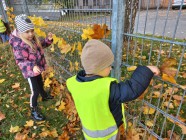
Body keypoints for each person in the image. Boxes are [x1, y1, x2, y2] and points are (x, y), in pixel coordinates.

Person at [66, 39, 160, 140]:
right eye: (108, 65)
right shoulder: (107, 88)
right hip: (108, 135)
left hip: (89, 134)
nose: (111, 68)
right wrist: (147, 70)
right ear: (99, 68)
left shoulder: (73, 83)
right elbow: (132, 89)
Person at [9, 14, 54, 121]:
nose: (31, 34)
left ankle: (44, 96)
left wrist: (48, 40)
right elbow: (21, 60)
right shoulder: (19, 44)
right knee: (35, 91)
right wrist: (32, 66)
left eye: (32, 30)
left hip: (37, 68)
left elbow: (40, 45)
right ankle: (33, 110)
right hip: (30, 71)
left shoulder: (32, 38)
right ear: (20, 32)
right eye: (27, 32)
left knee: (40, 83)